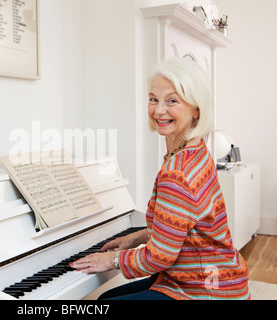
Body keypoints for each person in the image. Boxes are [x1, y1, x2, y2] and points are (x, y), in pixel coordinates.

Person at [70, 57, 250, 300]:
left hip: (203, 289)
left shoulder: (177, 173)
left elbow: (158, 257)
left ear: (196, 108)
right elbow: (183, 225)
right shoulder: (196, 151)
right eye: (153, 99)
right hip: (217, 279)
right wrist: (137, 237)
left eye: (172, 101)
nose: (158, 110)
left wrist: (110, 260)